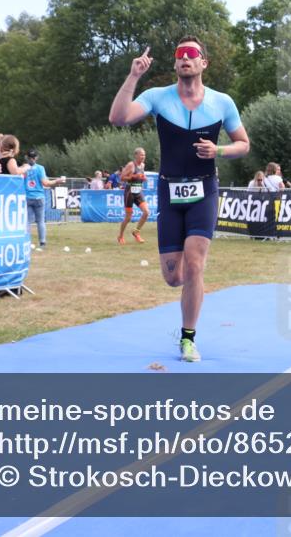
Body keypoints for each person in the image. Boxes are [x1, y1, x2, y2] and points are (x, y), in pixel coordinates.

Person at [109, 36, 250, 362]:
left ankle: (188, 338)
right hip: (170, 191)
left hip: (204, 189)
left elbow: (244, 144)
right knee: (174, 277)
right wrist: (133, 76)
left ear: (204, 63)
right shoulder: (157, 97)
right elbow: (118, 118)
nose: (186, 58)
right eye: (180, 54)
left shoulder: (222, 102)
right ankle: (190, 285)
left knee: (196, 262)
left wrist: (220, 151)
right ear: (175, 64)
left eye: (193, 54)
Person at [24, 149, 65, 251]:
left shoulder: (23, 168)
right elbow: (46, 183)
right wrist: (57, 181)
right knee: (40, 221)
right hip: (39, 197)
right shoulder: (40, 168)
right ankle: (42, 242)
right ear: (36, 158)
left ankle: (26, 242)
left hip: (27, 197)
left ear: (27, 157)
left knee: (27, 222)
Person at [118, 148, 151, 244]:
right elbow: (122, 178)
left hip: (138, 191)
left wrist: (143, 178)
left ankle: (136, 232)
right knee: (128, 217)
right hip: (130, 192)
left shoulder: (143, 165)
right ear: (136, 155)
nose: (143, 157)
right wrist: (133, 177)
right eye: (141, 155)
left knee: (146, 212)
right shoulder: (131, 165)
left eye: (144, 155)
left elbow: (140, 176)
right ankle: (120, 236)